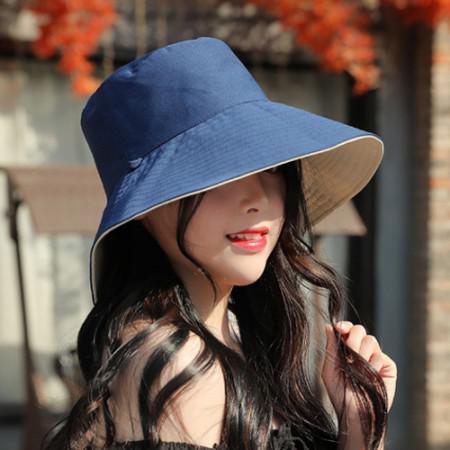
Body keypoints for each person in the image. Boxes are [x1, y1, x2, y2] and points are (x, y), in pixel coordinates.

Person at [43, 37, 397, 450]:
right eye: (219, 172)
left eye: (272, 168)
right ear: (144, 206)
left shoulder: (234, 333)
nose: (257, 198)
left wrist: (362, 423)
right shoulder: (180, 364)